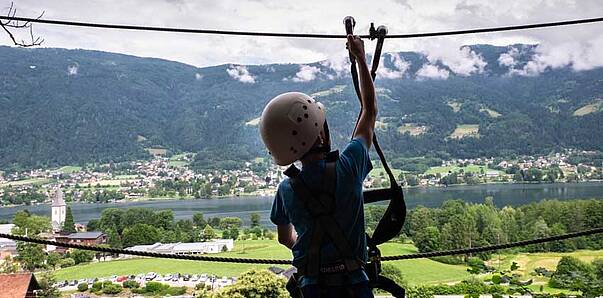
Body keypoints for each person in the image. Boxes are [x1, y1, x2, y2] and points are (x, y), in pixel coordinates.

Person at [259, 34, 376, 298]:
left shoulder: (286, 190)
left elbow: (284, 238)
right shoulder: (349, 165)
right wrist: (361, 58)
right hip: (355, 284)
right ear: (320, 134)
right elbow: (369, 111)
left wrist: (314, 255)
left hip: (312, 289)